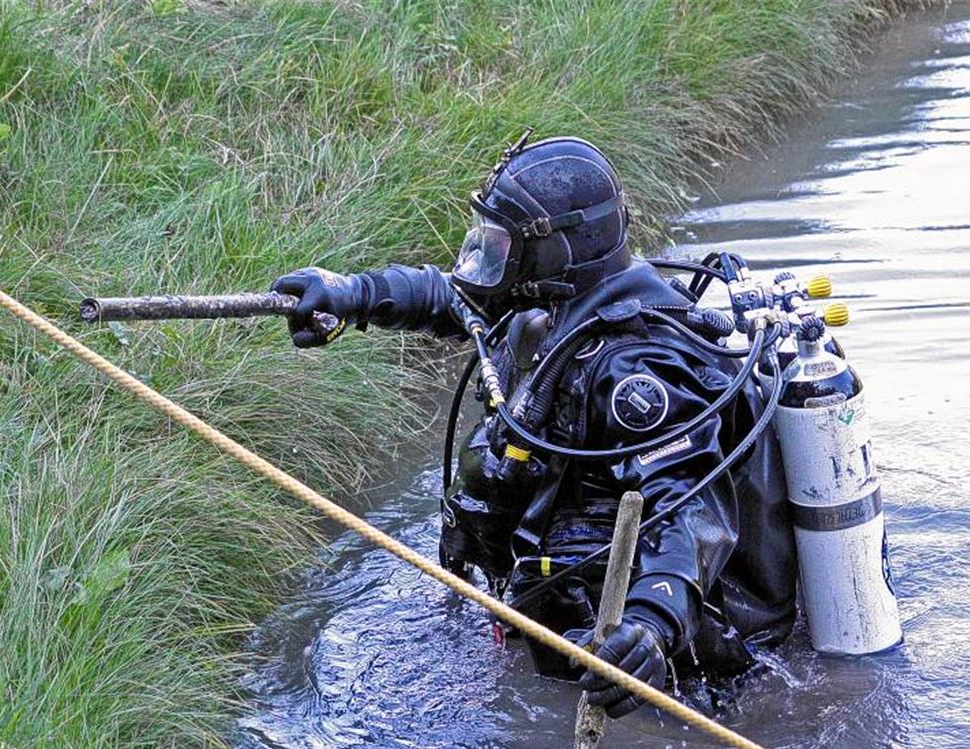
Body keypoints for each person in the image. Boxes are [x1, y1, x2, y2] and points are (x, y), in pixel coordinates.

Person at [271, 132, 798, 718]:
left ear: (553, 255)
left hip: (678, 664)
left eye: (500, 246)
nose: (484, 262)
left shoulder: (638, 374)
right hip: (546, 610)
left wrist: (650, 626)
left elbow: (689, 512)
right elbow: (456, 300)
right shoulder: (556, 312)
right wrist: (356, 294)